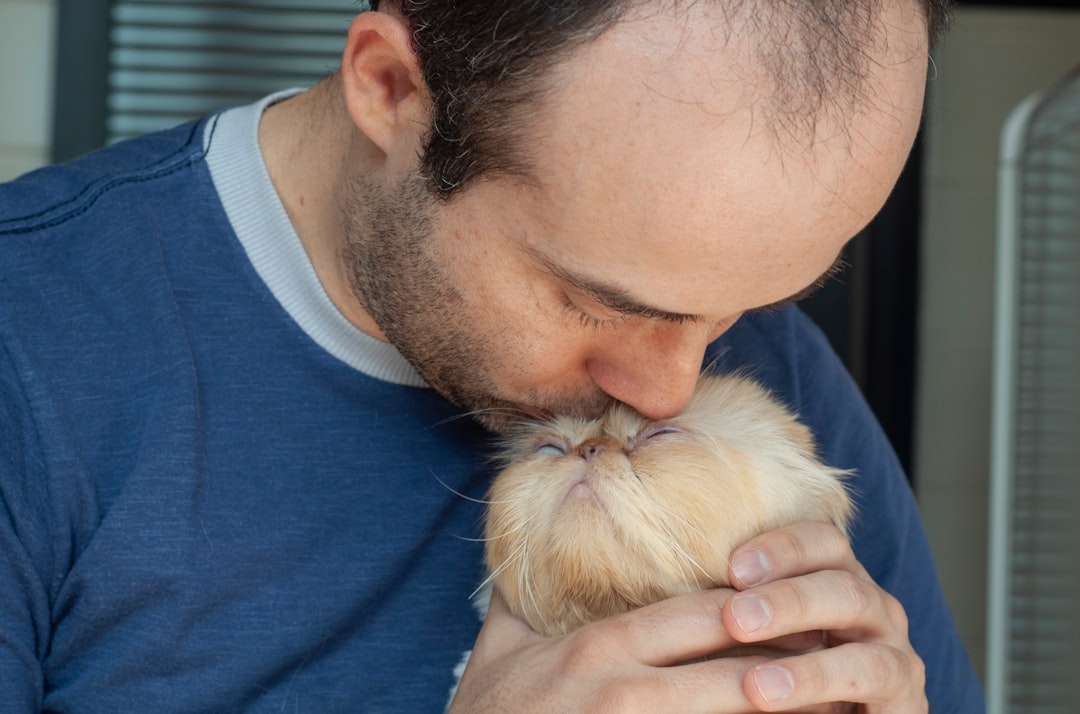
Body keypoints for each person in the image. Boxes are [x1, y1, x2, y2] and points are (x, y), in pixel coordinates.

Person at [0, 0, 985, 711]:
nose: (670, 391)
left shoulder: (776, 368)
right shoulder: (31, 347)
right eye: (596, 302)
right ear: (390, 89)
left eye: (749, 304)